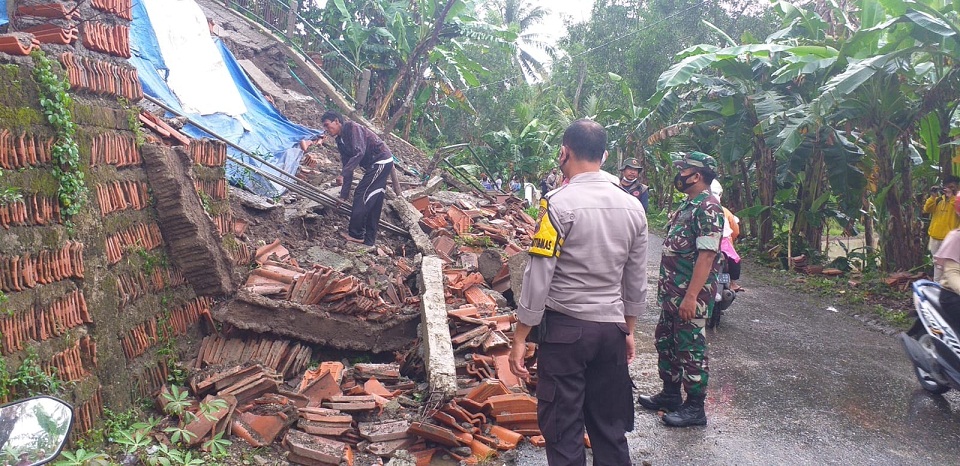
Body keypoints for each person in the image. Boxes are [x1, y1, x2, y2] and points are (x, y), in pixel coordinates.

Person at [509, 119, 648, 465]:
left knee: (563, 428)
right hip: (611, 333)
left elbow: (538, 275)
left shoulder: (557, 204)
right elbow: (635, 280)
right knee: (609, 428)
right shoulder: (634, 208)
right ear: (603, 156)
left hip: (566, 333)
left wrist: (521, 336)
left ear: (564, 152)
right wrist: (628, 330)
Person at [637, 151, 723, 428]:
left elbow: (707, 256)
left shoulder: (709, 207)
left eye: (684, 170)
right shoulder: (688, 205)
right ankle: (671, 395)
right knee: (666, 344)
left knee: (691, 350)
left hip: (689, 296)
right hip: (672, 293)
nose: (679, 174)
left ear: (697, 175)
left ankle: (695, 408)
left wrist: (691, 297)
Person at [320, 111, 394, 246]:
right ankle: (369, 240)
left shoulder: (353, 128)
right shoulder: (340, 141)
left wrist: (343, 173)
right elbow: (347, 166)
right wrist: (343, 195)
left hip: (380, 161)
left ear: (337, 121)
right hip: (375, 165)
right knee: (374, 199)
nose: (326, 129)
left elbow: (359, 152)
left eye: (327, 125)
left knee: (362, 193)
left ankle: (356, 234)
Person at [924, 176, 960, 280]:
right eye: (947, 187)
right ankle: (937, 287)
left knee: (951, 267)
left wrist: (952, 197)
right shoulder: (939, 199)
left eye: (952, 187)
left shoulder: (957, 200)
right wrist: (933, 196)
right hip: (935, 237)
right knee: (938, 266)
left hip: (950, 240)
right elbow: (927, 209)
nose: (949, 189)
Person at [711, 180, 743, 292]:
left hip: (705, 242)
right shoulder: (724, 211)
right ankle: (733, 283)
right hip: (724, 242)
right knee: (735, 259)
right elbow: (735, 231)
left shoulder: (694, 207)